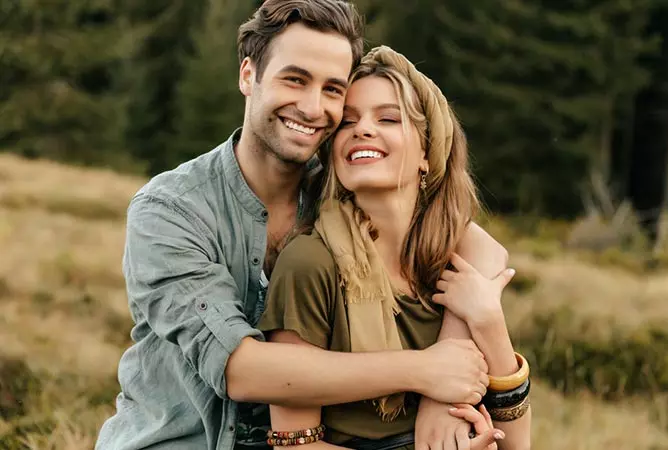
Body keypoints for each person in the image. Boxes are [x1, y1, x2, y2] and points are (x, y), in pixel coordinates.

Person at [96, 1, 509, 449]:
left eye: (333, 90)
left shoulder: (337, 199)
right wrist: (426, 370)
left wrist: (442, 390)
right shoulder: (171, 210)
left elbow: (480, 248)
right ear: (248, 75)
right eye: (295, 79)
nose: (313, 107)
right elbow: (241, 370)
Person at [257, 46, 532, 450]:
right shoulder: (311, 263)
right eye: (347, 122)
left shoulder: (456, 267)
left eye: (387, 118)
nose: (362, 129)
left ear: (427, 152)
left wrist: (489, 321)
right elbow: (292, 445)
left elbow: (517, 444)